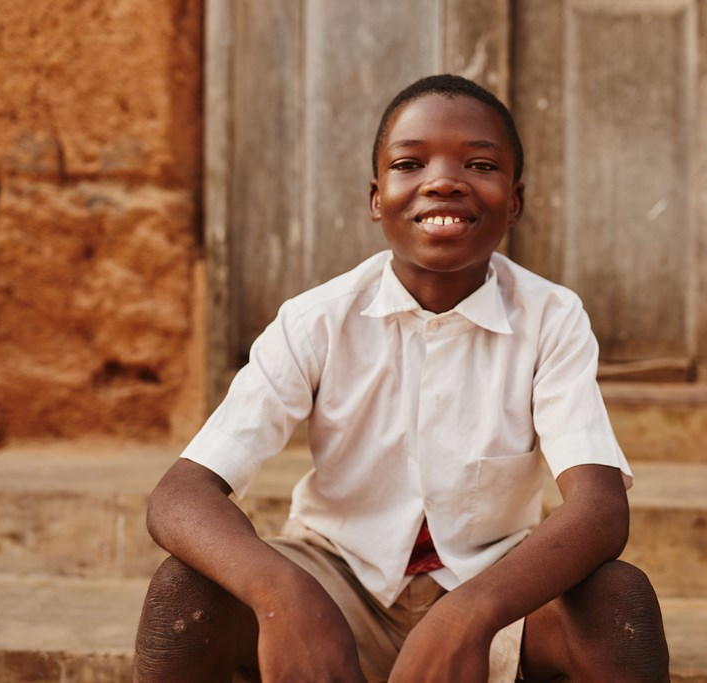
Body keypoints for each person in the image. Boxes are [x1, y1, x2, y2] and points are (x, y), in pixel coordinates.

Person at [133, 74, 670, 683]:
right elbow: (180, 496)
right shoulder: (318, 319)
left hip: (490, 584)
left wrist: (468, 615)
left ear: (514, 201)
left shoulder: (552, 317)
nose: (443, 180)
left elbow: (600, 511)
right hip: (334, 579)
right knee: (183, 595)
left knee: (618, 602)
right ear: (375, 196)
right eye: (410, 163)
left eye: (481, 164)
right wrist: (282, 595)